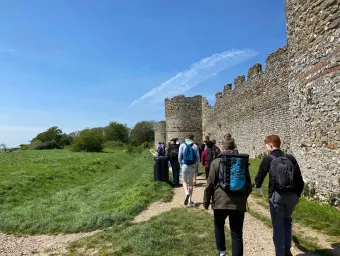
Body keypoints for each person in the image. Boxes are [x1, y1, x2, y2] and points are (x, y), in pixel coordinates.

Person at [255, 135, 304, 256]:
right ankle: (287, 249)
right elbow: (299, 179)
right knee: (287, 219)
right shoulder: (290, 158)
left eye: (266, 145)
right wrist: (297, 195)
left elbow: (258, 179)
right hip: (292, 196)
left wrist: (258, 185)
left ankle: (279, 253)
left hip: (277, 196)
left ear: (271, 145)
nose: (266, 147)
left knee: (277, 226)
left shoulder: (268, 159)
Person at [204, 140, 252, 256]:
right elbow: (249, 186)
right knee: (236, 234)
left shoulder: (216, 162)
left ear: (222, 148)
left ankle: (222, 252)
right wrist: (242, 198)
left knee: (219, 225)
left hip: (220, 202)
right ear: (234, 147)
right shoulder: (241, 162)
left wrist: (206, 201)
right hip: (238, 204)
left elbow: (210, 184)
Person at [178, 134, 200, 206]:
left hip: (185, 165)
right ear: (192, 139)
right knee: (191, 182)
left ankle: (186, 193)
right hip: (192, 165)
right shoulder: (195, 146)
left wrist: (181, 163)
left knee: (184, 181)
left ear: (186, 138)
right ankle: (190, 200)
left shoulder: (182, 145)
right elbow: (198, 157)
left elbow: (179, 156)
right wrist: (196, 165)